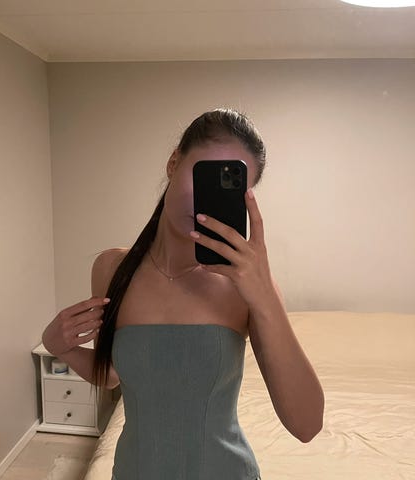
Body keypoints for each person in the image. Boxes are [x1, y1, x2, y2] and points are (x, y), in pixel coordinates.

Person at [42, 108, 323, 479]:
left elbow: (307, 425)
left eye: (229, 188)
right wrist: (59, 346)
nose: (206, 202)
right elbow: (111, 374)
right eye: (204, 176)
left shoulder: (245, 287)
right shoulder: (111, 269)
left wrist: (265, 297)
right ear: (174, 162)